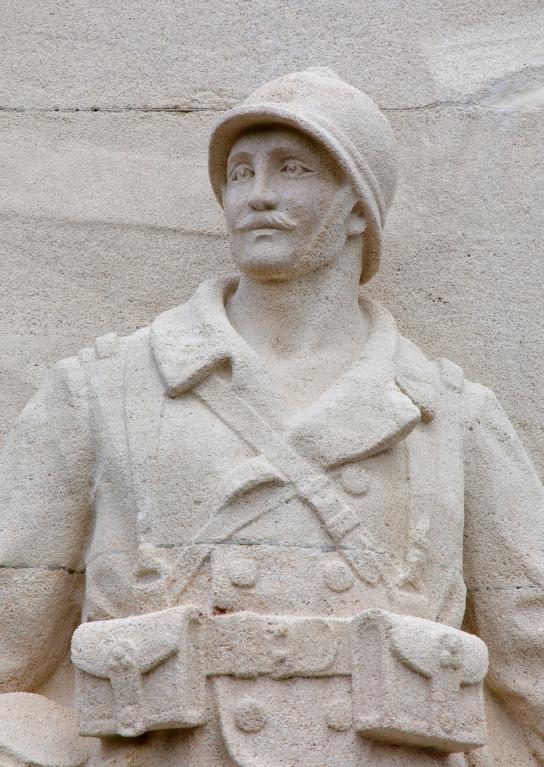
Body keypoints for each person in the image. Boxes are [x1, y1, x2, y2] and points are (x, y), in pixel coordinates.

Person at [0, 68, 543, 767]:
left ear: (359, 207)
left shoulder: (454, 418)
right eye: (239, 172)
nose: (257, 195)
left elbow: (531, 650)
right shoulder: (102, 392)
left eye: (293, 170)